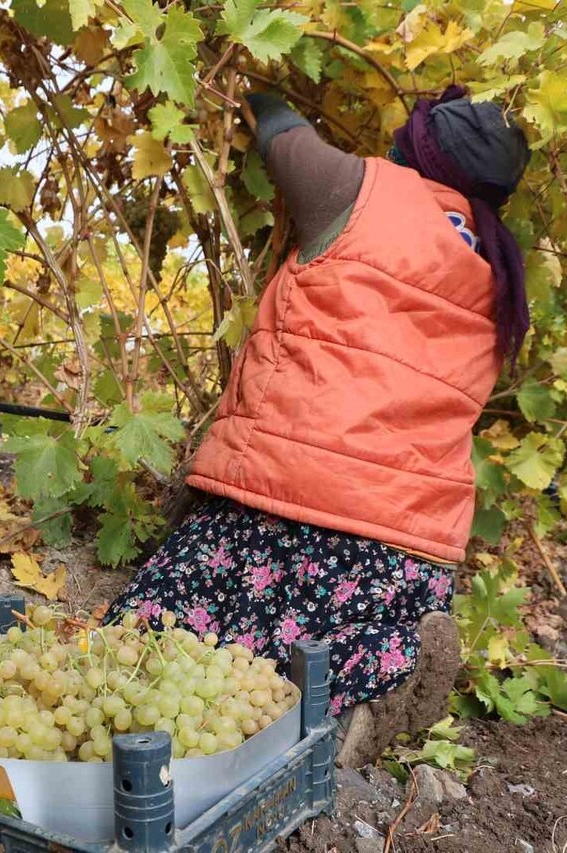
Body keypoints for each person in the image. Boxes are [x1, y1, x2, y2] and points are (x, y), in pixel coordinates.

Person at [103, 86, 531, 766]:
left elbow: (279, 130)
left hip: (284, 498)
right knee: (328, 644)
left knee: (153, 637)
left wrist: (256, 78)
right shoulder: (498, 268)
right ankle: (366, 688)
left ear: (418, 147)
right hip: (405, 546)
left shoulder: (356, 188)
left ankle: (317, 698)